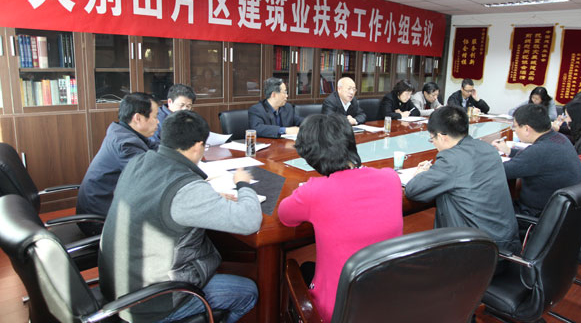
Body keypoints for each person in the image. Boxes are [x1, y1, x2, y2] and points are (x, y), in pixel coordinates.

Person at [99, 110, 262, 323]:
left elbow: (160, 196)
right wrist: (243, 184)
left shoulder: (139, 161)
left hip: (117, 285)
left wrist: (207, 197)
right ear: (197, 146)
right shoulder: (186, 190)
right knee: (248, 292)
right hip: (153, 301)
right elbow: (249, 220)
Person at [278, 114, 403, 323]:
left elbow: (285, 216)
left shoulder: (315, 191)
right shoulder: (391, 178)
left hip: (338, 310)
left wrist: (306, 191)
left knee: (297, 267)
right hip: (388, 300)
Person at [405, 106, 520, 256]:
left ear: (442, 136)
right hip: (506, 243)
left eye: (432, 139)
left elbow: (413, 190)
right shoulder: (489, 149)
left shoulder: (451, 160)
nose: (433, 143)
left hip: (477, 251)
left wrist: (420, 174)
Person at [76, 92, 159, 235]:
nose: (158, 122)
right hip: (101, 220)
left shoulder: (125, 132)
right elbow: (150, 180)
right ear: (138, 118)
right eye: (155, 117)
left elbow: (155, 149)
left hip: (105, 206)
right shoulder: (125, 143)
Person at [493, 104, 581, 217]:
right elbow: (534, 159)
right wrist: (509, 151)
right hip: (560, 213)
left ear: (526, 129)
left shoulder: (539, 151)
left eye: (515, 127)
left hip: (534, 214)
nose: (514, 130)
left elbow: (500, 171)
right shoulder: (559, 138)